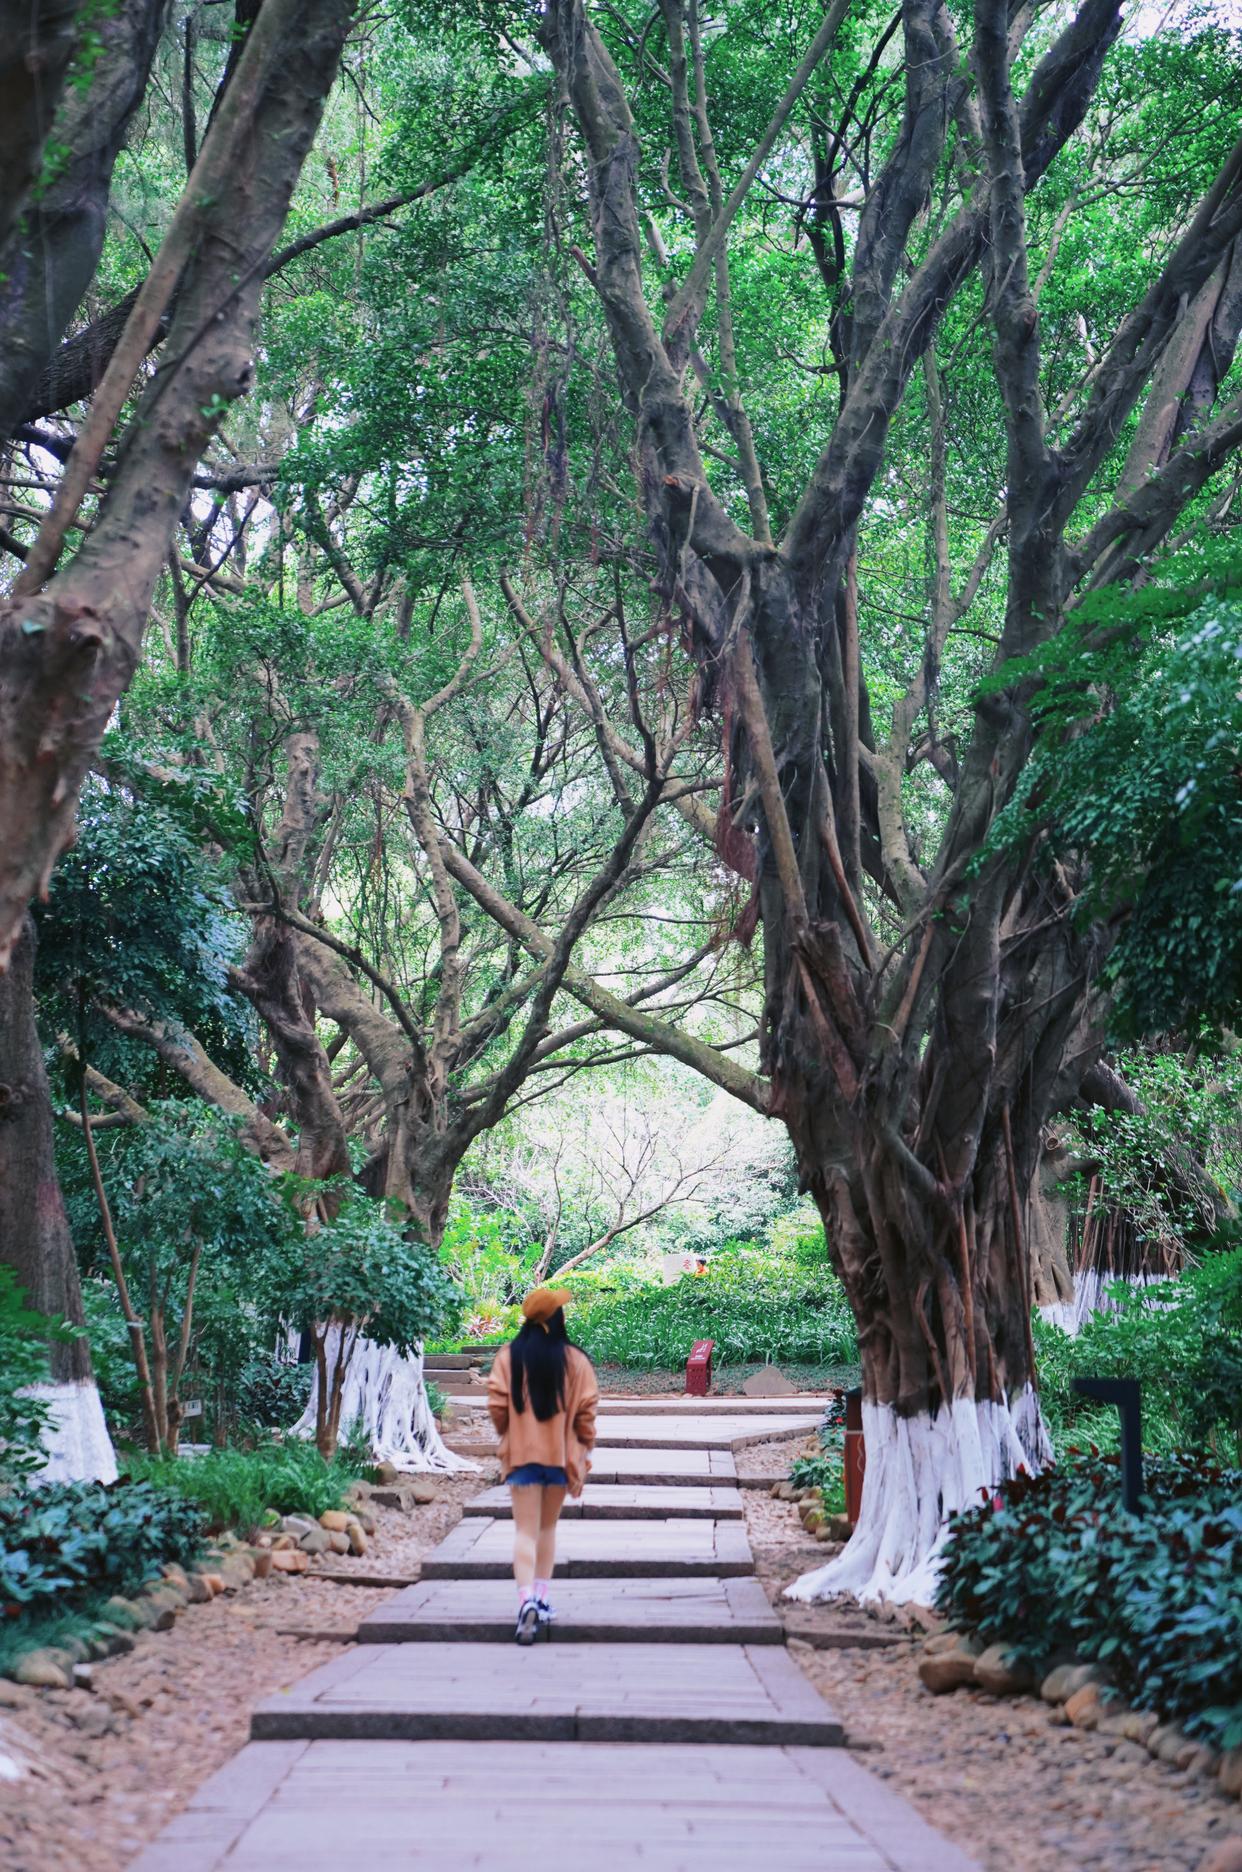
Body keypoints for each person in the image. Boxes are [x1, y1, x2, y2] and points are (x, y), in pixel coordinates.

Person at [486, 1285, 599, 1645]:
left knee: (524, 1532)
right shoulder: (575, 1361)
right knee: (547, 1530)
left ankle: (524, 1601)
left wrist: (511, 1432)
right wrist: (584, 1446)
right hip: (558, 1458)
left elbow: (497, 1404)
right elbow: (586, 1412)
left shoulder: (508, 1356)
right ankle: (543, 1597)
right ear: (558, 1319)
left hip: (521, 1456)